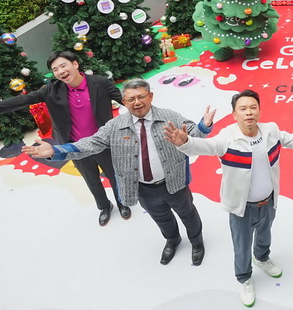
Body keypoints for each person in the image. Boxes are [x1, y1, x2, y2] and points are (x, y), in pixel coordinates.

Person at [22, 79, 214, 266]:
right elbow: (90, 144)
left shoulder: (169, 117)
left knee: (188, 214)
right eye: (131, 99)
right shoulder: (114, 126)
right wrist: (56, 151)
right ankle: (172, 240)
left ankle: (196, 242)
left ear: (151, 96)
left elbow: (192, 133)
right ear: (124, 102)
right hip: (143, 189)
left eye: (141, 96)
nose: (137, 102)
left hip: (174, 182)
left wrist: (203, 126)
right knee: (161, 218)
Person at [164, 89, 293, 307]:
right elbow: (205, 146)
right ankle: (244, 278)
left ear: (259, 111)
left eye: (253, 107)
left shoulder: (271, 131)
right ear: (234, 114)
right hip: (242, 208)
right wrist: (185, 142)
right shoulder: (227, 137)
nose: (248, 112)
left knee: (264, 235)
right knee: (242, 246)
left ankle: (262, 258)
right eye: (243, 109)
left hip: (269, 201)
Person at [0, 50, 128, 227]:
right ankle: (104, 207)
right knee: (91, 179)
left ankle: (122, 202)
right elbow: (22, 100)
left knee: (115, 175)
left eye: (63, 65)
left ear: (75, 64)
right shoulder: (51, 90)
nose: (60, 71)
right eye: (55, 69)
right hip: (73, 145)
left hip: (102, 141)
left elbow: (126, 100)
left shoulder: (100, 82)